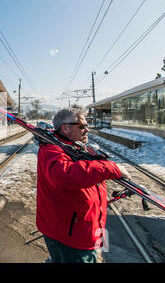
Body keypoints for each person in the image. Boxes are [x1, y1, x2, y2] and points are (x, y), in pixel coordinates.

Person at [36, 108, 131, 263]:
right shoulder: (52, 149)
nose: (87, 129)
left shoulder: (73, 146)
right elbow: (65, 176)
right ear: (65, 128)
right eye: (82, 126)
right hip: (71, 235)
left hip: (86, 229)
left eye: (87, 125)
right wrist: (111, 168)